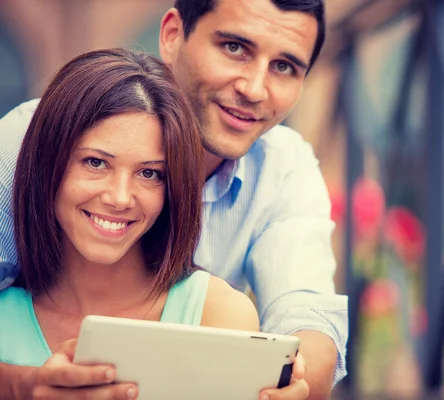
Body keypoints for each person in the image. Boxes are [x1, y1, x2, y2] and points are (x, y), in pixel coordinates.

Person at [0, 1, 348, 399]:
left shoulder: (284, 168)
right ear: (171, 35)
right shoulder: (21, 142)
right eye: (234, 47)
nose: (254, 89)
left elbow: (306, 311)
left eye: (284, 66)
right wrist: (23, 385)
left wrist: (293, 384)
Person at [0, 48, 264, 399]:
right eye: (95, 163)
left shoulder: (219, 316)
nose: (121, 197)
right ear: (47, 161)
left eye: (149, 173)